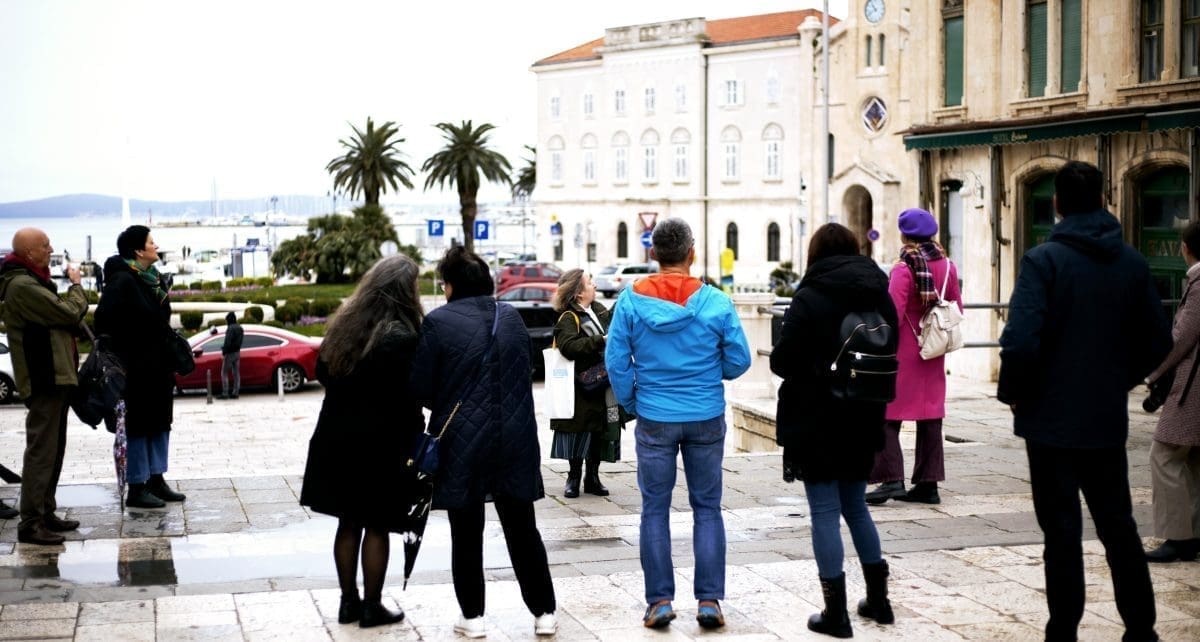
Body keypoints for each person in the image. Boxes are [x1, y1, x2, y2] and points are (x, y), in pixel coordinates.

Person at [999, 161, 1171, 642]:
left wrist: (1015, 394)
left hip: (1048, 421)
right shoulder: (1132, 263)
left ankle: (1063, 632)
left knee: (1061, 533)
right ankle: (1141, 629)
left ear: (1057, 204)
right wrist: (1118, 380)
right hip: (1103, 417)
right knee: (1119, 527)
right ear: (1103, 199)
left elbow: (1020, 341)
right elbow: (1159, 342)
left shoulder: (1043, 261)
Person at [605, 217, 751, 630]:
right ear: (692, 253)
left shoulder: (630, 301)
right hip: (705, 415)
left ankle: (659, 601)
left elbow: (616, 362)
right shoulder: (716, 301)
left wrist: (634, 401)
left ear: (653, 253)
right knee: (707, 508)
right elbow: (739, 360)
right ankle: (709, 602)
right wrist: (709, 374)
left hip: (655, 415)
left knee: (654, 508)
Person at [411, 246, 557, 638]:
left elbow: (420, 387)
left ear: (450, 285)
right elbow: (524, 370)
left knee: (466, 530)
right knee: (522, 528)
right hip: (515, 437)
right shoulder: (510, 317)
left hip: (462, 442)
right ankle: (544, 612)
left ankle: (472, 617)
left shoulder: (437, 323)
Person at [770, 223, 897, 638]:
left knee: (825, 512)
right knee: (856, 506)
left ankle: (836, 613)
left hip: (817, 418)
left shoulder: (811, 295)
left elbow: (783, 361)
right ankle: (879, 601)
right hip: (864, 413)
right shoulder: (878, 290)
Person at [299, 255, 424, 628]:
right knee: (378, 525)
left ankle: (347, 603)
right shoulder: (404, 337)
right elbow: (413, 394)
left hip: (337, 439)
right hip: (383, 444)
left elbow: (322, 371)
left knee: (348, 522)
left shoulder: (344, 327)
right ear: (405, 291)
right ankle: (371, 606)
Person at [865, 208, 961, 505]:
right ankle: (928, 485)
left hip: (904, 350)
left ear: (904, 235)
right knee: (931, 416)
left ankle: (891, 479)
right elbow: (957, 306)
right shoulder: (948, 265)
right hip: (933, 349)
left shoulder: (903, 268)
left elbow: (891, 313)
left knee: (886, 413)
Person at [0, 228, 88, 544]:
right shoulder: (22, 286)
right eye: (45, 245)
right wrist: (77, 286)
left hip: (56, 376)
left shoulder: (33, 281)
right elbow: (68, 312)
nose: (51, 250)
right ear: (28, 253)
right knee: (42, 451)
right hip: (44, 379)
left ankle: (46, 511)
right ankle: (31, 522)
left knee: (54, 449)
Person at [95, 225, 186, 509]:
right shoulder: (122, 281)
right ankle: (137, 486)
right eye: (151, 242)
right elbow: (103, 322)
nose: (156, 246)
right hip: (135, 369)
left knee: (160, 423)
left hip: (158, 368)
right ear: (138, 251)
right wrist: (131, 345)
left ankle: (156, 479)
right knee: (137, 426)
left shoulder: (153, 278)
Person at [1143, 220, 1200, 563]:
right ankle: (1192, 535)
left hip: (1193, 387)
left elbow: (1181, 338)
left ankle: (1178, 538)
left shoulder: (1199, 283)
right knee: (1192, 458)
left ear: (1185, 247)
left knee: (1163, 454)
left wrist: (1153, 372)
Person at [549, 268, 628, 498]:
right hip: (580, 388)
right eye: (590, 283)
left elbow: (614, 325)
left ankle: (592, 477)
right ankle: (573, 478)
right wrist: (599, 340)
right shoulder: (568, 317)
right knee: (578, 433)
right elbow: (568, 347)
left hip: (601, 384)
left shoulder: (598, 310)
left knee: (599, 432)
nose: (594, 286)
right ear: (578, 293)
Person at [220, 311, 243, 399]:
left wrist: (224, 352)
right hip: (237, 352)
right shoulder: (240, 328)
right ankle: (235, 392)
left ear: (229, 320)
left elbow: (227, 342)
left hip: (230, 353)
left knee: (224, 372)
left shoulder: (230, 328)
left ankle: (225, 393)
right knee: (236, 373)